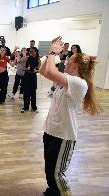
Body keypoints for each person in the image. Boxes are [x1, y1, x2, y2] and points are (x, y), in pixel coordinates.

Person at [39, 36, 101, 196]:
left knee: (56, 173)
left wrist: (53, 52)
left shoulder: (79, 83)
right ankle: (53, 191)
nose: (66, 61)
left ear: (77, 65)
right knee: (49, 169)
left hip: (63, 136)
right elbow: (44, 71)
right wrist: (50, 53)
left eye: (69, 59)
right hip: (51, 131)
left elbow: (51, 71)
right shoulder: (67, 80)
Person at [21, 47, 40, 113]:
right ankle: (25, 107)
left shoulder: (38, 59)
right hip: (27, 77)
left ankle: (34, 107)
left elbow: (39, 69)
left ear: (36, 52)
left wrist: (36, 70)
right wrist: (27, 69)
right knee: (26, 93)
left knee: (33, 93)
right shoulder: (27, 58)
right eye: (30, 51)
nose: (31, 52)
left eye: (32, 51)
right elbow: (23, 68)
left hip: (33, 77)